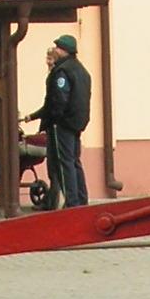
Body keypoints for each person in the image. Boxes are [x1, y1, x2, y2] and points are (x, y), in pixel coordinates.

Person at [36, 34, 93, 206]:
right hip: (77, 123)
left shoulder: (62, 71)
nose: (55, 49)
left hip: (62, 124)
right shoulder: (82, 71)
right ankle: (81, 199)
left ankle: (72, 202)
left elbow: (59, 99)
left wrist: (53, 118)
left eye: (58, 47)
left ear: (64, 50)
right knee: (75, 161)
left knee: (64, 163)